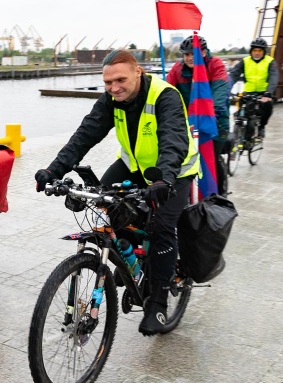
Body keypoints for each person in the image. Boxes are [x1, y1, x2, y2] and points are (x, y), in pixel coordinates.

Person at [34, 49, 200, 336]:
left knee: (161, 227)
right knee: (105, 203)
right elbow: (85, 134)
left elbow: (173, 139)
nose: (114, 88)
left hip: (174, 171)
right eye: (108, 82)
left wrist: (164, 180)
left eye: (120, 80)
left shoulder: (165, 96)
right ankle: (131, 260)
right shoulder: (112, 100)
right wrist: (54, 170)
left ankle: (158, 303)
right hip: (133, 165)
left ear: (138, 72)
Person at [166, 36, 230, 195]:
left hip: (214, 120)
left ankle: (219, 195)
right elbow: (167, 91)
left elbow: (220, 90)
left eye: (192, 53)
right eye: (186, 54)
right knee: (182, 159)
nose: (189, 58)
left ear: (203, 51)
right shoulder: (177, 70)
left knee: (212, 159)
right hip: (189, 122)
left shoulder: (215, 65)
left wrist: (211, 113)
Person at [228, 38, 277, 138]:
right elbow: (233, 74)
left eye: (260, 51)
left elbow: (273, 77)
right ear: (251, 51)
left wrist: (269, 92)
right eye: (255, 50)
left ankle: (262, 127)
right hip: (248, 92)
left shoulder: (270, 62)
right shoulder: (245, 61)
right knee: (235, 103)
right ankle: (238, 123)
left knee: (268, 106)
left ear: (264, 52)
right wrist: (226, 88)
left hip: (264, 93)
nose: (257, 53)